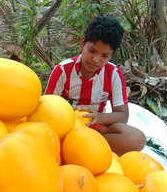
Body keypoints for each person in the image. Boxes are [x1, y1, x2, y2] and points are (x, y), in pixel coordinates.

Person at [44, 16, 146, 156]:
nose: (96, 60)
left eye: (105, 56)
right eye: (91, 51)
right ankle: (79, 151)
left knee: (136, 139)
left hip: (95, 128)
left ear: (111, 55)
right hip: (65, 129)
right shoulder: (62, 70)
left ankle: (88, 152)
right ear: (82, 44)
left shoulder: (114, 74)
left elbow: (123, 115)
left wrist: (99, 117)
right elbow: (46, 109)